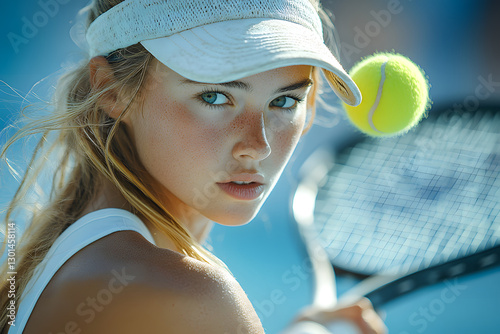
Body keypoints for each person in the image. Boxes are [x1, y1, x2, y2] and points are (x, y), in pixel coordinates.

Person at [0, 0, 386, 333]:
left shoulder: (74, 258)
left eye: (284, 102)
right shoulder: (193, 295)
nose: (257, 146)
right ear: (112, 90)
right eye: (215, 96)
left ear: (311, 105)